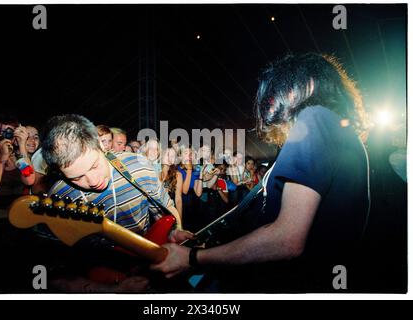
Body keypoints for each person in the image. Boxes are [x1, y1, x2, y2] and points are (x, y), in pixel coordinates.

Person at [151, 53, 370, 292]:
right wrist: (201, 244)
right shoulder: (337, 131)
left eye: (276, 94)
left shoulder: (313, 118)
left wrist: (191, 258)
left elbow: (286, 240)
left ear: (304, 86)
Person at [40, 114, 193, 292]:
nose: (92, 180)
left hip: (149, 265)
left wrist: (175, 231)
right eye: (77, 177)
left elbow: (167, 210)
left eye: (94, 166)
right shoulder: (58, 198)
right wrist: (110, 292)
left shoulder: (139, 167)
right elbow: (52, 275)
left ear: (100, 145)